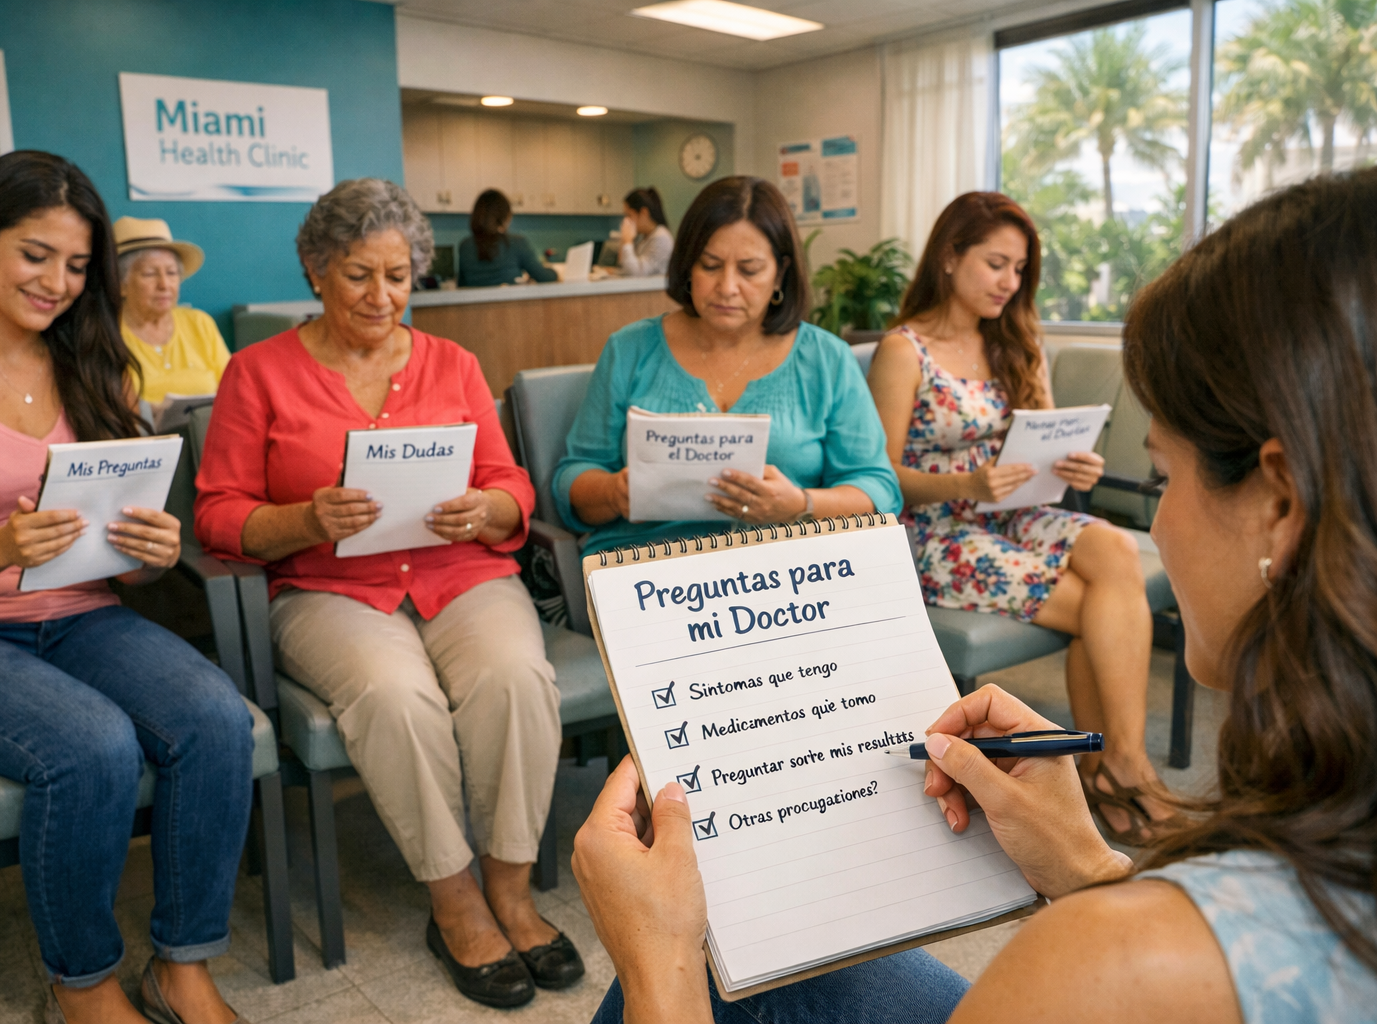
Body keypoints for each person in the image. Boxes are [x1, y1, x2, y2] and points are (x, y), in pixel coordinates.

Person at [574, 167, 1377, 1024]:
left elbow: (872, 480)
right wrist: (1090, 869)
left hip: (830, 575)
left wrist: (659, 964)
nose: (1163, 518)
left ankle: (1125, 768)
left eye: (1167, 473)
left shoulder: (1122, 961)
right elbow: (573, 478)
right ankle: (1124, 775)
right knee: (784, 959)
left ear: (1281, 507)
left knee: (706, 950)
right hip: (717, 581)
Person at [0, 151, 254, 1024]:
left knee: (219, 719)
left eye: (77, 266)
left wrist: (151, 549)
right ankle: (81, 985)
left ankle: (181, 967)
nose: (59, 283)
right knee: (93, 745)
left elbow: (128, 564)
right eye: (36, 254)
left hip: (78, 616)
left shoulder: (93, 363)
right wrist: (3, 541)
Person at [193, 178, 582, 1009]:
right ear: (317, 271)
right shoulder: (256, 374)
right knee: (396, 697)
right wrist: (303, 517)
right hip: (328, 587)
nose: (383, 296)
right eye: (359, 275)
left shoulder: (454, 363)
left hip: (459, 573)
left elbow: (509, 484)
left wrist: (489, 508)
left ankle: (512, 889)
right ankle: (457, 903)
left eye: (398, 276)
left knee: (517, 677)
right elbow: (220, 515)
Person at [866, 192, 1166, 842]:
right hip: (937, 530)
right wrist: (966, 480)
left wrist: (1073, 467)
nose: (1010, 282)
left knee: (1114, 551)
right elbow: (880, 479)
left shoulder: (1017, 339)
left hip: (1016, 509)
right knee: (1095, 605)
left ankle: (1119, 765)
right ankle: (1117, 777)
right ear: (950, 257)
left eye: (1019, 270)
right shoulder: (903, 350)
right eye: (996, 264)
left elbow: (1044, 439)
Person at [555, 175, 902, 559]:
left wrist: (801, 504)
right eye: (710, 265)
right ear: (688, 266)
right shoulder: (631, 349)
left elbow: (879, 490)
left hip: (785, 570)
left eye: (750, 270)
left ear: (780, 273)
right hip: (648, 570)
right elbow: (574, 476)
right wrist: (613, 493)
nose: (727, 287)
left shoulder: (826, 359)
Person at [112, 216, 230, 406]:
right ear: (120, 285)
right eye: (149, 273)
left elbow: (234, 388)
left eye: (172, 273)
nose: (164, 284)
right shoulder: (106, 334)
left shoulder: (199, 323)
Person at [456, 188, 558, 288]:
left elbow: (462, 285)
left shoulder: (465, 246)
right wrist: (555, 272)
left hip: (475, 304)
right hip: (510, 304)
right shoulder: (517, 243)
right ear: (505, 216)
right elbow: (543, 277)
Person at [616, 186, 674, 277]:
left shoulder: (661, 238)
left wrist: (627, 241)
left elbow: (636, 273)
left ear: (643, 213)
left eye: (629, 215)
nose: (626, 221)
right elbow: (625, 266)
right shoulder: (644, 237)